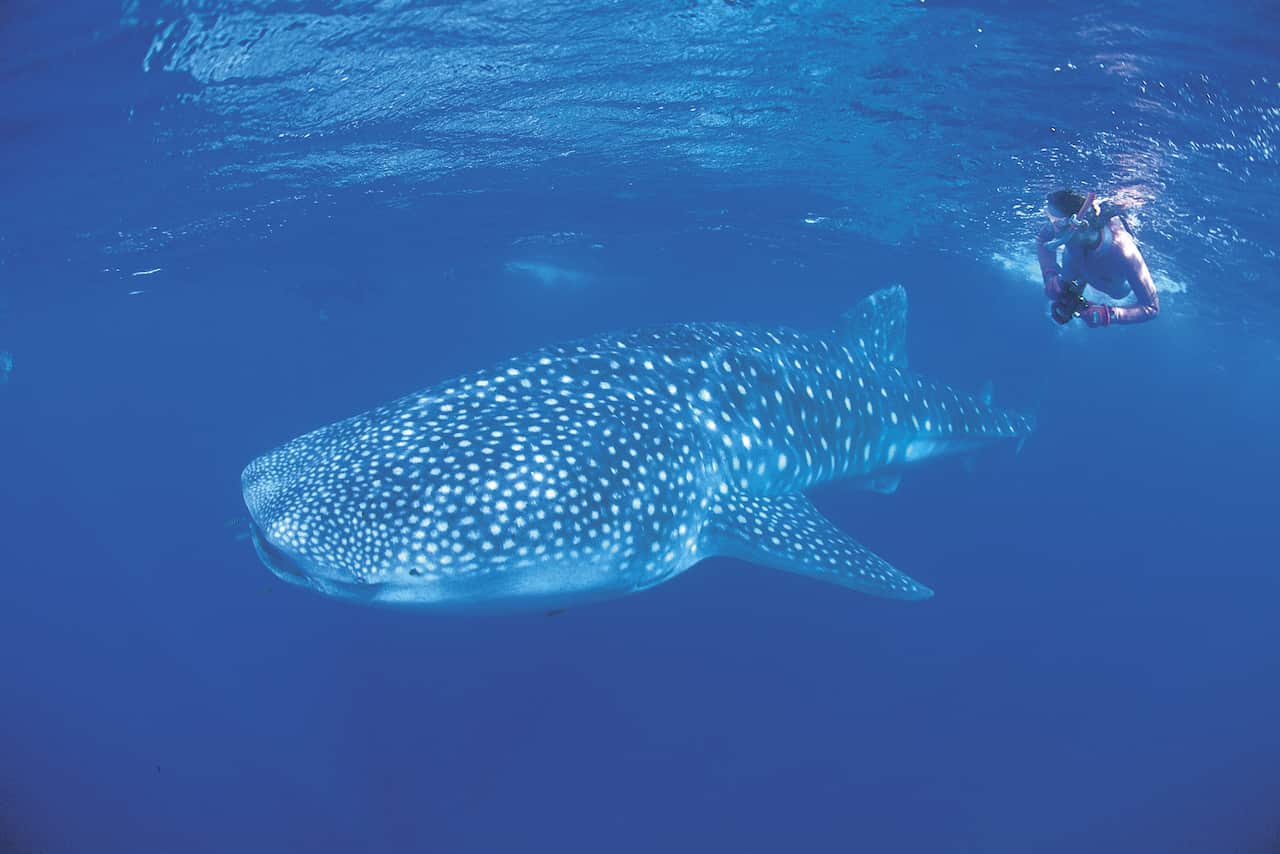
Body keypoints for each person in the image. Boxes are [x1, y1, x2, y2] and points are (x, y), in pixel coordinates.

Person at [1036, 189, 1159, 327]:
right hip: (1078, 264)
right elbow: (1042, 239)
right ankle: (1073, 290)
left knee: (1117, 293)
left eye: (1057, 223)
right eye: (1050, 219)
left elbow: (1151, 308)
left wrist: (1110, 315)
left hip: (1111, 282)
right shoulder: (1065, 229)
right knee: (1060, 291)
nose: (1052, 228)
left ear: (1082, 226)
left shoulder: (1123, 251)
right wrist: (1049, 274)